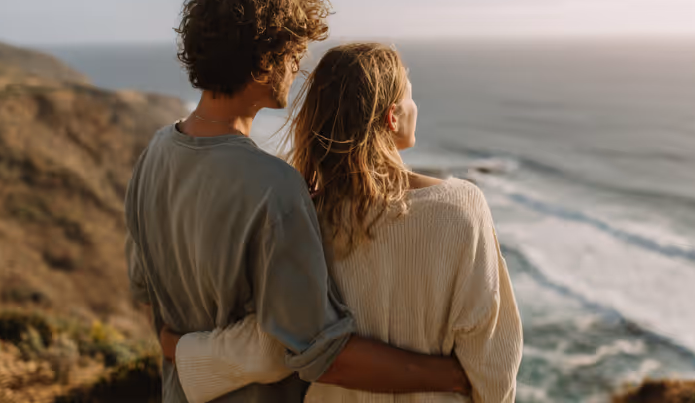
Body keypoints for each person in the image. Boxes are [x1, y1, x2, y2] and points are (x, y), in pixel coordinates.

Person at [124, 0, 471, 403]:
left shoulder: (153, 153)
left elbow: (144, 289)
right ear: (263, 63)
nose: (299, 66)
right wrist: (456, 376)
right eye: (293, 54)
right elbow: (323, 352)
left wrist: (183, 346)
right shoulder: (272, 186)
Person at [163, 43, 524, 403]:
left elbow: (273, 344)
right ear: (392, 117)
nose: (416, 106)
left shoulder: (303, 218)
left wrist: (182, 350)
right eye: (410, 95)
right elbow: (495, 360)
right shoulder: (461, 207)